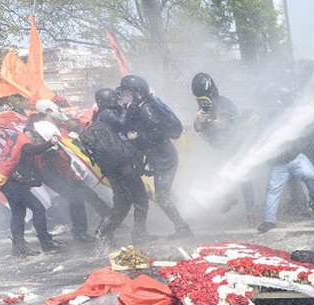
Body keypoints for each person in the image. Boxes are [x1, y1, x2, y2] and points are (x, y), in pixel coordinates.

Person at [120, 75, 192, 239]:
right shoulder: (144, 106)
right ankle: (184, 217)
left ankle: (183, 228)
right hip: (160, 158)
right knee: (163, 194)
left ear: (138, 94)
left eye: (128, 94)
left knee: (162, 196)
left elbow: (157, 135)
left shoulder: (146, 109)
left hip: (165, 159)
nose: (125, 98)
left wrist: (137, 137)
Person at [84, 88, 152, 246]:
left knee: (123, 203)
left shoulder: (101, 115)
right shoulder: (107, 113)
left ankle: (104, 233)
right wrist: (128, 109)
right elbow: (123, 123)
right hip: (121, 166)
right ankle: (138, 234)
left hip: (114, 166)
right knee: (140, 198)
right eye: (116, 99)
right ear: (110, 100)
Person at [0, 121, 65, 256]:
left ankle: (18, 247)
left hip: (7, 182)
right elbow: (32, 150)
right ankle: (45, 242)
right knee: (38, 208)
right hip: (13, 183)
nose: (39, 141)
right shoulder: (25, 142)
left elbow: (32, 155)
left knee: (18, 213)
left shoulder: (19, 138)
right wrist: (49, 143)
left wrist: (49, 148)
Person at [32, 102, 100, 243]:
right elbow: (52, 151)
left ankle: (108, 220)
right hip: (53, 170)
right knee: (75, 197)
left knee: (87, 194)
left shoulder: (42, 126)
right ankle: (80, 232)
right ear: (49, 111)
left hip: (59, 169)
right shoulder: (43, 127)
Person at [191, 73, 256, 218]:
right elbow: (201, 132)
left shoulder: (224, 103)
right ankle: (228, 197)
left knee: (243, 177)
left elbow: (235, 124)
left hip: (237, 146)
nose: (202, 102)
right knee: (220, 173)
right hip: (223, 148)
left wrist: (219, 122)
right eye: (199, 99)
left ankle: (251, 211)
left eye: (204, 97)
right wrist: (198, 122)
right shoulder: (203, 110)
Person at [256, 140, 314, 234]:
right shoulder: (265, 131)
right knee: (273, 190)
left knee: (310, 175)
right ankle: (269, 221)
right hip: (277, 165)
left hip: (296, 158)